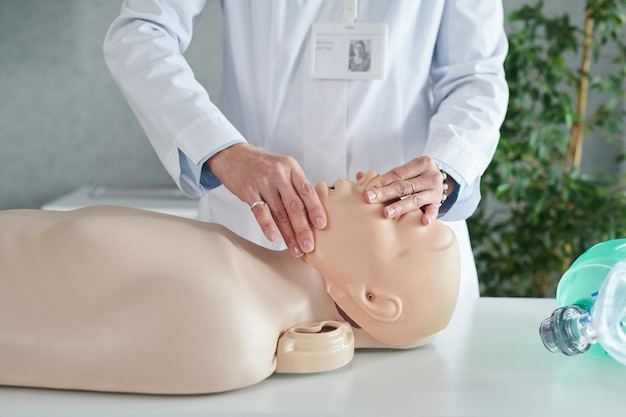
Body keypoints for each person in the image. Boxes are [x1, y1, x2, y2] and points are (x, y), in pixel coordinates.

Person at [103, 1, 508, 303]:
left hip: (408, 246)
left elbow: (477, 74)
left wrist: (450, 162)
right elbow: (140, 32)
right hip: (258, 237)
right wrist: (220, 149)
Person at [0, 172, 460, 394]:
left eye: (396, 214)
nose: (369, 180)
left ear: (372, 299)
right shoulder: (235, 261)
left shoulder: (229, 329)